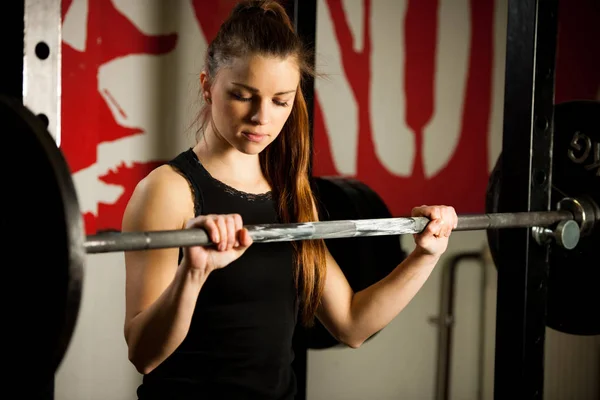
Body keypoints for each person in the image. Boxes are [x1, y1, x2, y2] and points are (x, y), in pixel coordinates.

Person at [121, 1, 458, 399]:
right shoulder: (168, 191)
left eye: (281, 100)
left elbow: (351, 324)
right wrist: (193, 273)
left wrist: (426, 255)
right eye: (243, 95)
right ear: (207, 85)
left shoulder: (289, 196)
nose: (262, 117)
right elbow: (144, 355)